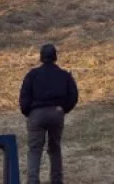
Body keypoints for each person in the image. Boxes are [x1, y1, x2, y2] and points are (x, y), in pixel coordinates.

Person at [19, 43, 79, 184]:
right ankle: (56, 180)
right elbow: (73, 96)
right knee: (55, 148)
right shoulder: (64, 75)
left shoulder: (32, 75)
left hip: (36, 113)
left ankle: (33, 180)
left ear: (41, 57)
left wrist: (29, 112)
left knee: (35, 149)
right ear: (55, 57)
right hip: (56, 113)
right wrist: (63, 109)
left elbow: (24, 96)